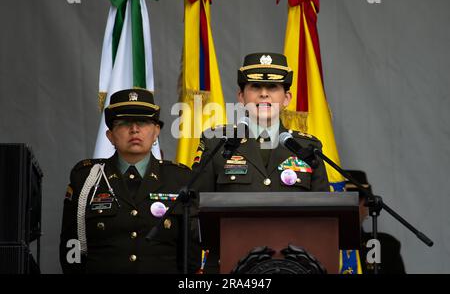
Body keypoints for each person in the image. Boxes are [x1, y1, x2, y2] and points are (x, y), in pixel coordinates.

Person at [192, 53, 330, 272]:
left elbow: (325, 216)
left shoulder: (306, 148)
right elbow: (194, 209)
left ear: (287, 98)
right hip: (230, 265)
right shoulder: (216, 143)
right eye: (255, 87)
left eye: (273, 88)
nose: (264, 94)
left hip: (295, 266)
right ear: (241, 96)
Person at [60, 89, 200, 274]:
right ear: (110, 135)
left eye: (143, 121)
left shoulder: (180, 179)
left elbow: (192, 253)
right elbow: (72, 249)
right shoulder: (86, 179)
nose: (134, 129)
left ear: (156, 131)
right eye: (125, 123)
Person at [344, 170, 406, 274]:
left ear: (367, 204)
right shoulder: (319, 246)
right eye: (342, 199)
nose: (349, 206)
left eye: (356, 198)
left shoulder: (386, 247)